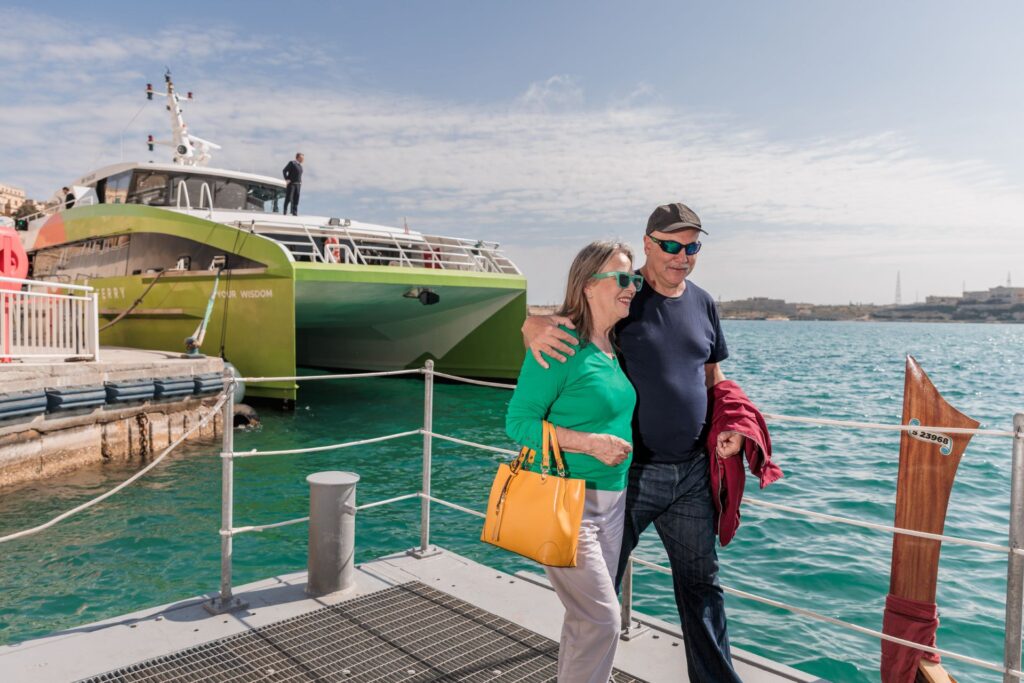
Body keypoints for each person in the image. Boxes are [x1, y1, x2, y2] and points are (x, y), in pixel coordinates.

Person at [522, 203, 745, 683]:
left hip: (691, 474)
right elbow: (570, 327)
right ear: (648, 243)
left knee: (702, 587)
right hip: (629, 474)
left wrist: (731, 424)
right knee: (598, 599)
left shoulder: (704, 303)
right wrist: (530, 324)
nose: (682, 256)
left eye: (692, 246)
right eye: (671, 245)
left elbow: (713, 376)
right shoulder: (624, 293)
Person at [506, 240, 642, 683]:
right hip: (568, 504)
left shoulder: (610, 346)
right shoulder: (560, 344)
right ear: (587, 285)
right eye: (622, 278)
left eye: (634, 279)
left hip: (613, 503)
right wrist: (589, 444)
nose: (632, 287)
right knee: (603, 619)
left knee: (585, 620)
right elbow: (518, 424)